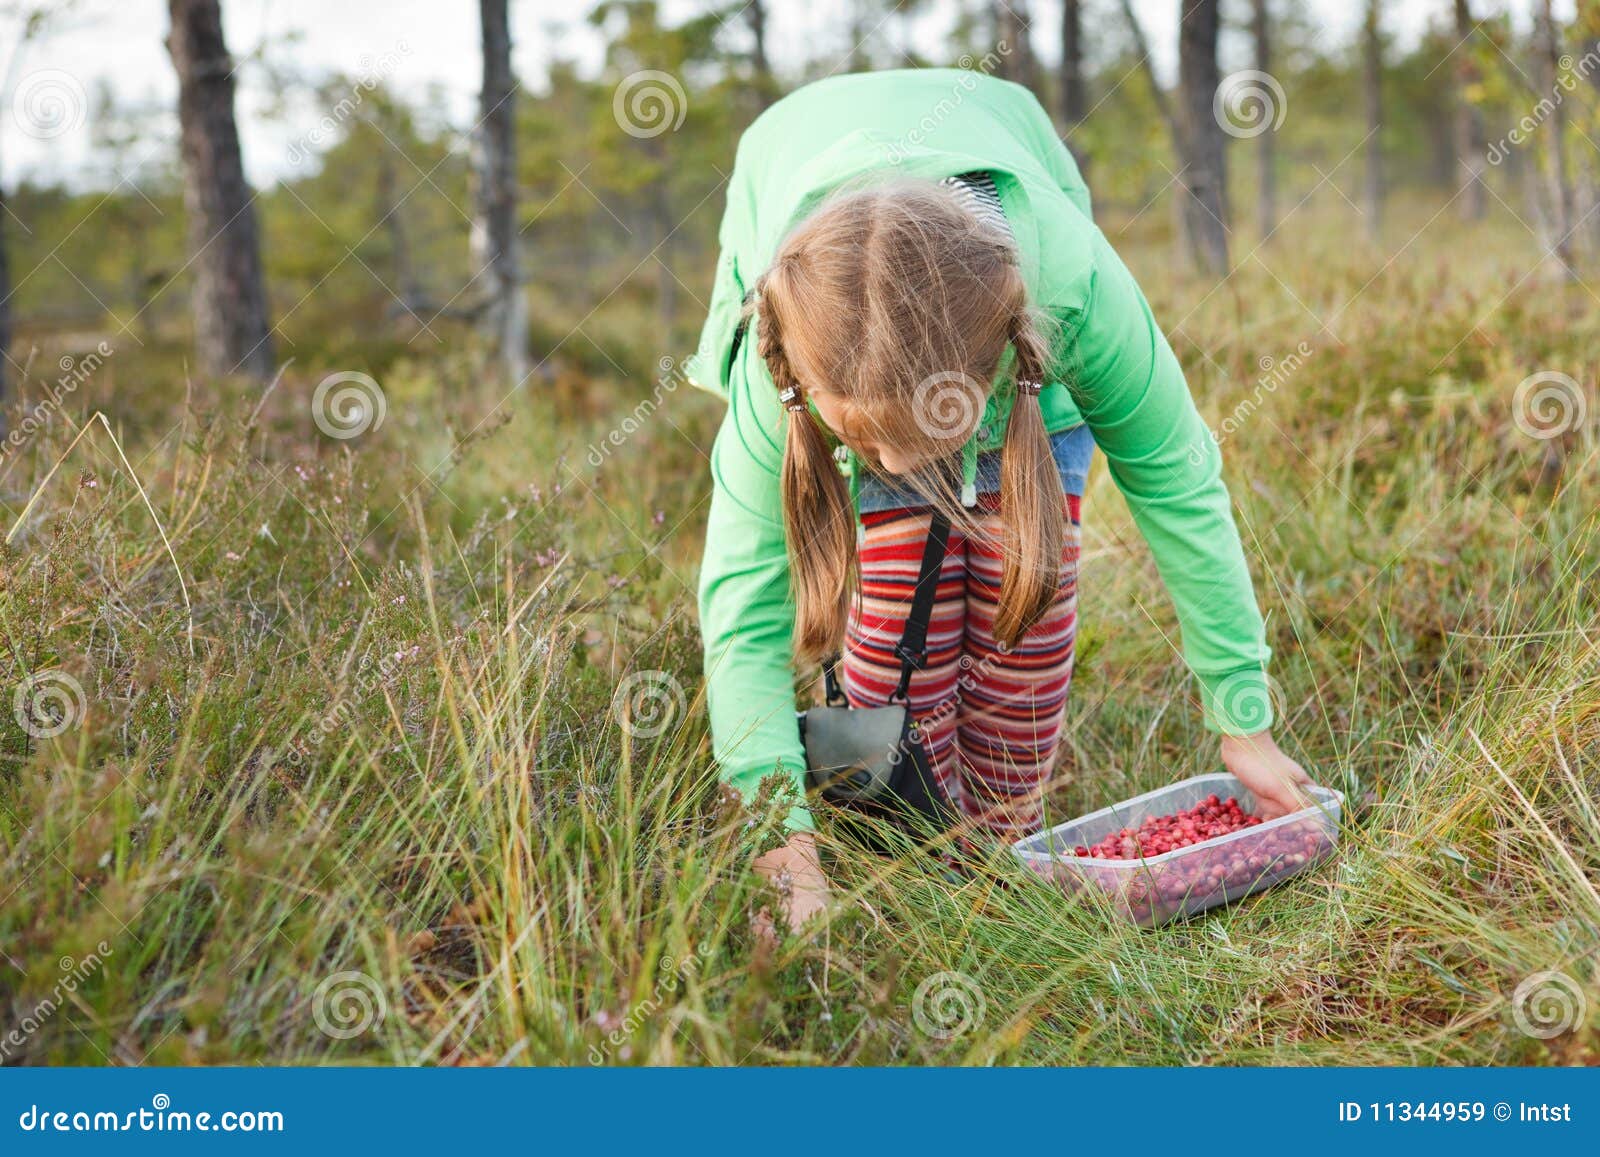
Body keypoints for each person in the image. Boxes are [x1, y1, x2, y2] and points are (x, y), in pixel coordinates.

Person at [685, 70, 1315, 931]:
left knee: (1025, 621)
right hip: (843, 312)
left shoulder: (1074, 295)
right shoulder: (783, 364)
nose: (901, 464)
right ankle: (904, 876)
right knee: (902, 638)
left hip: (1016, 381)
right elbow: (742, 610)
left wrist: (1243, 716)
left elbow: (1177, 480)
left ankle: (990, 886)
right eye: (867, 445)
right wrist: (783, 846)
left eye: (922, 438)